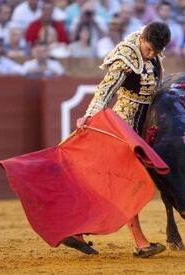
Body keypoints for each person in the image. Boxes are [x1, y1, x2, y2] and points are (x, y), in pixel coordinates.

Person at [70, 22, 171, 258]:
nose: (152, 55)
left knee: (120, 184)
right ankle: (140, 243)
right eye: (149, 50)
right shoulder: (126, 55)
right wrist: (90, 115)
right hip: (124, 125)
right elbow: (105, 90)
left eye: (156, 51)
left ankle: (77, 230)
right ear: (143, 39)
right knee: (126, 183)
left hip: (146, 123)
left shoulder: (152, 46)